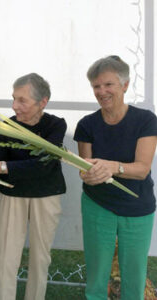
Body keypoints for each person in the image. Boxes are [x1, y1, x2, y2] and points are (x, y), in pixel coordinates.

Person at [0, 73, 67, 300]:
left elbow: (44, 164)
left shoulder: (56, 125)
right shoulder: (8, 125)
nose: (14, 106)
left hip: (46, 195)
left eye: (22, 100)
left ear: (43, 102)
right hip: (12, 195)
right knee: (7, 258)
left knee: (40, 258)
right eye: (14, 98)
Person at [73, 55, 157, 300]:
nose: (102, 91)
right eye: (96, 86)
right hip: (97, 205)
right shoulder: (86, 125)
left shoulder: (145, 121)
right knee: (97, 273)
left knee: (134, 274)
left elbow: (142, 169)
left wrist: (112, 167)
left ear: (125, 85)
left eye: (108, 84)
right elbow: (84, 169)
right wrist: (88, 175)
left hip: (137, 206)